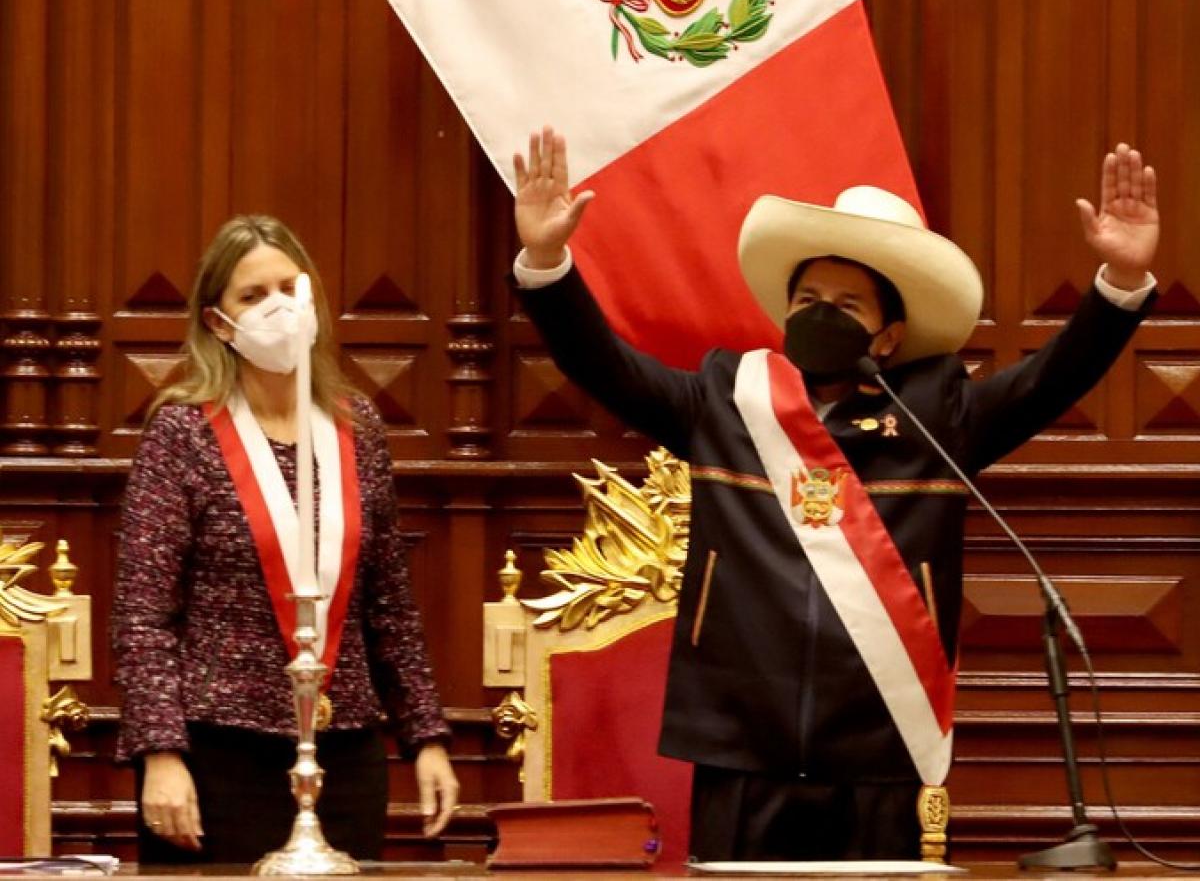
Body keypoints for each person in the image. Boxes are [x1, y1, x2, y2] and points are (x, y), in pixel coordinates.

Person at [509, 128, 1159, 861]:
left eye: (848, 304)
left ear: (888, 337)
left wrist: (1120, 284)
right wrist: (547, 265)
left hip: (881, 742)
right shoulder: (727, 398)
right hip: (740, 739)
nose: (822, 313)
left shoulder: (937, 414)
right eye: (808, 298)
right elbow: (603, 366)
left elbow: (1053, 379)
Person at [113, 215, 459, 864]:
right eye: (253, 295)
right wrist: (160, 753)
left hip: (344, 748)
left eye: (289, 287)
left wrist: (427, 737)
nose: (278, 307)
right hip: (217, 754)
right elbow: (144, 613)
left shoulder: (359, 427)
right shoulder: (182, 433)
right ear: (219, 323)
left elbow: (389, 604)